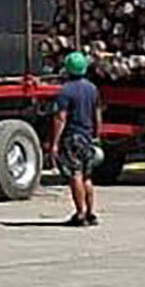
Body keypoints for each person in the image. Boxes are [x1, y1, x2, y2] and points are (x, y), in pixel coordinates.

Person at [50, 49, 102, 228]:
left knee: (75, 175)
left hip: (72, 137)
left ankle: (80, 214)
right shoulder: (92, 88)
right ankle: (90, 212)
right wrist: (97, 134)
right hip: (87, 136)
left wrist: (55, 143)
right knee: (87, 177)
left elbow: (60, 118)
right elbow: (97, 113)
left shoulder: (66, 91)